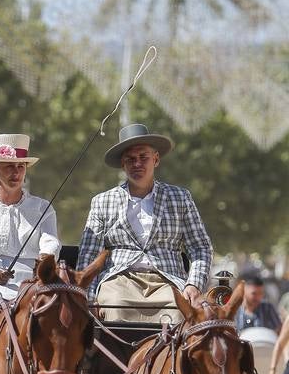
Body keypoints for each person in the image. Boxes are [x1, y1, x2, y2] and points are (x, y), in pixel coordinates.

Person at [77, 123, 213, 323]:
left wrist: (193, 285)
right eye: (130, 159)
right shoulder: (102, 201)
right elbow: (89, 255)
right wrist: (89, 298)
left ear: (156, 159)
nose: (137, 164)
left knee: (178, 315)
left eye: (143, 157)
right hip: (119, 280)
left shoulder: (180, 197)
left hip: (168, 281)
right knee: (114, 309)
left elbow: (201, 247)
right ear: (123, 164)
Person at [0, 132, 60, 322]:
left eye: (20, 167)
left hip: (34, 283)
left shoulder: (43, 208)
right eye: (9, 167)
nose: (16, 173)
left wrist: (45, 258)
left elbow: (51, 241)